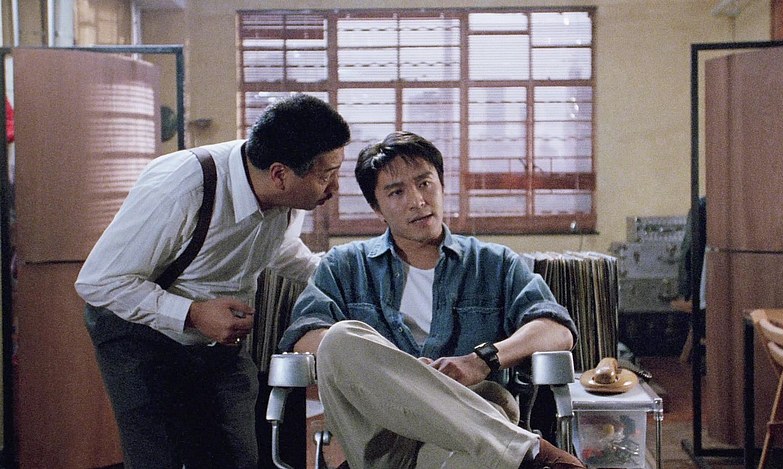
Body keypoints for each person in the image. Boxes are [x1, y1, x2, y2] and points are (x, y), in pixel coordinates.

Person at [278, 131, 585, 469]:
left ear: (441, 185)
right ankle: (529, 452)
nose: (417, 201)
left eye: (425, 183)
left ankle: (514, 450)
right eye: (397, 192)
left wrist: (480, 361)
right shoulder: (344, 266)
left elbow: (556, 330)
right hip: (382, 439)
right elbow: (305, 338)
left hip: (467, 434)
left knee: (485, 415)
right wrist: (403, 372)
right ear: (377, 208)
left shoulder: (494, 263)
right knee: (338, 339)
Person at [75, 94, 350, 469]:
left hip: (219, 340)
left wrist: (349, 276)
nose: (334, 188)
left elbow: (282, 250)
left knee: (237, 456)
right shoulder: (181, 187)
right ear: (279, 174)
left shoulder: (285, 198)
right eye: (326, 175)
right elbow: (99, 282)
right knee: (160, 458)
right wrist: (192, 313)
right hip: (138, 333)